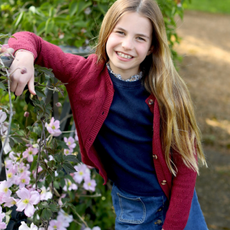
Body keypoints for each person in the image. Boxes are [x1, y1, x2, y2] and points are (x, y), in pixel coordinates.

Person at [8, 0, 208, 229]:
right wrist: (24, 56)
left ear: (152, 46)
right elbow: (28, 39)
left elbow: (186, 163)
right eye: (120, 32)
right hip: (134, 208)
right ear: (106, 32)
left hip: (181, 205)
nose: (127, 45)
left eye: (140, 38)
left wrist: (174, 225)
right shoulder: (83, 74)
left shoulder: (167, 89)